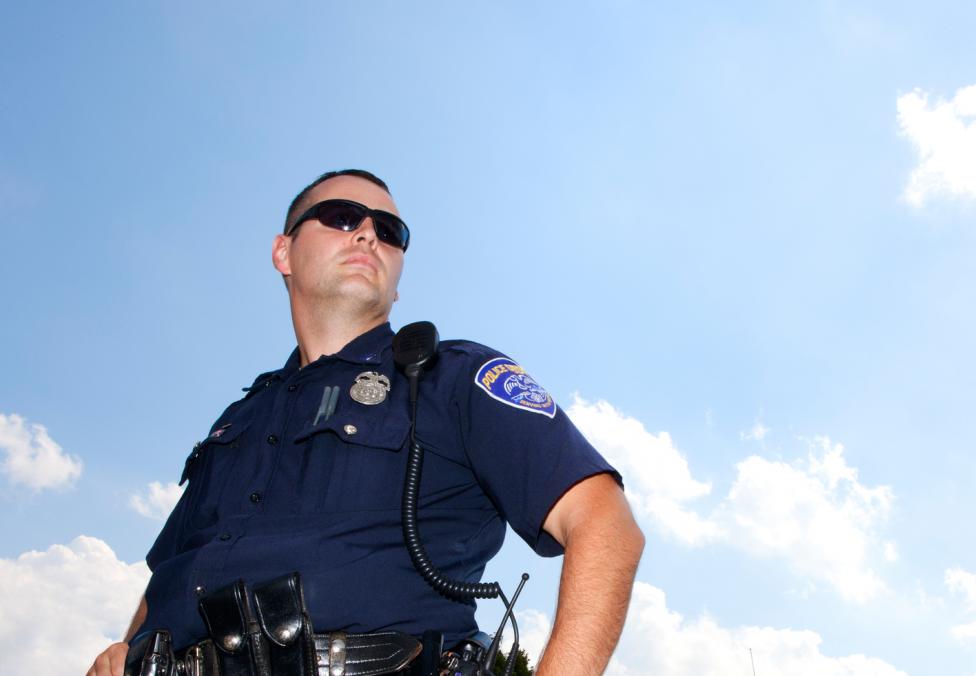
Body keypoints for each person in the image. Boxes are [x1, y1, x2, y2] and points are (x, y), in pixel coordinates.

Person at [87, 170, 644, 676]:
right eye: (341, 218)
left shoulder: (452, 377)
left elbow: (606, 524)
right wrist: (125, 645)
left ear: (397, 279)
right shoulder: (237, 420)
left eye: (389, 230)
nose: (368, 234)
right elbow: (175, 566)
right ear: (284, 252)